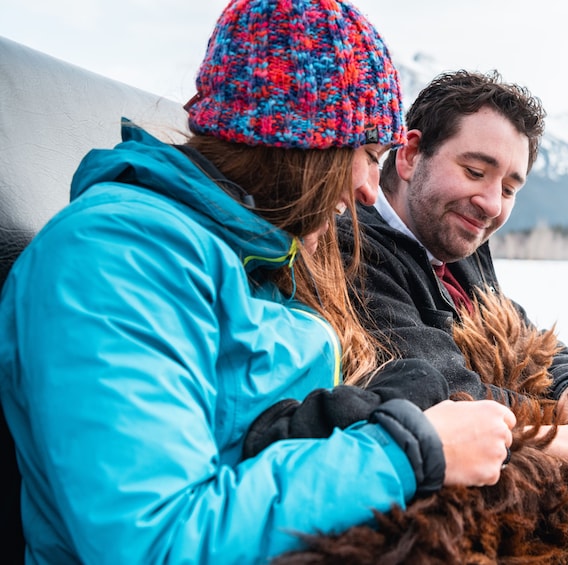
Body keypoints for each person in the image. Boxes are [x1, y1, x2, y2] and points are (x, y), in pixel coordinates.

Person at [0, 2, 519, 563]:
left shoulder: (257, 256)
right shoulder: (114, 260)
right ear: (298, 144)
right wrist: (407, 451)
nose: (372, 189)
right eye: (368, 155)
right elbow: (153, 542)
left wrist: (363, 409)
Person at [337, 69, 568, 484]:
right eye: (475, 171)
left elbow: (522, 335)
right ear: (410, 154)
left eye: (509, 189)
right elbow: (444, 389)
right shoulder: (354, 252)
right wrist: (560, 419)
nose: (491, 204)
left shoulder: (455, 244)